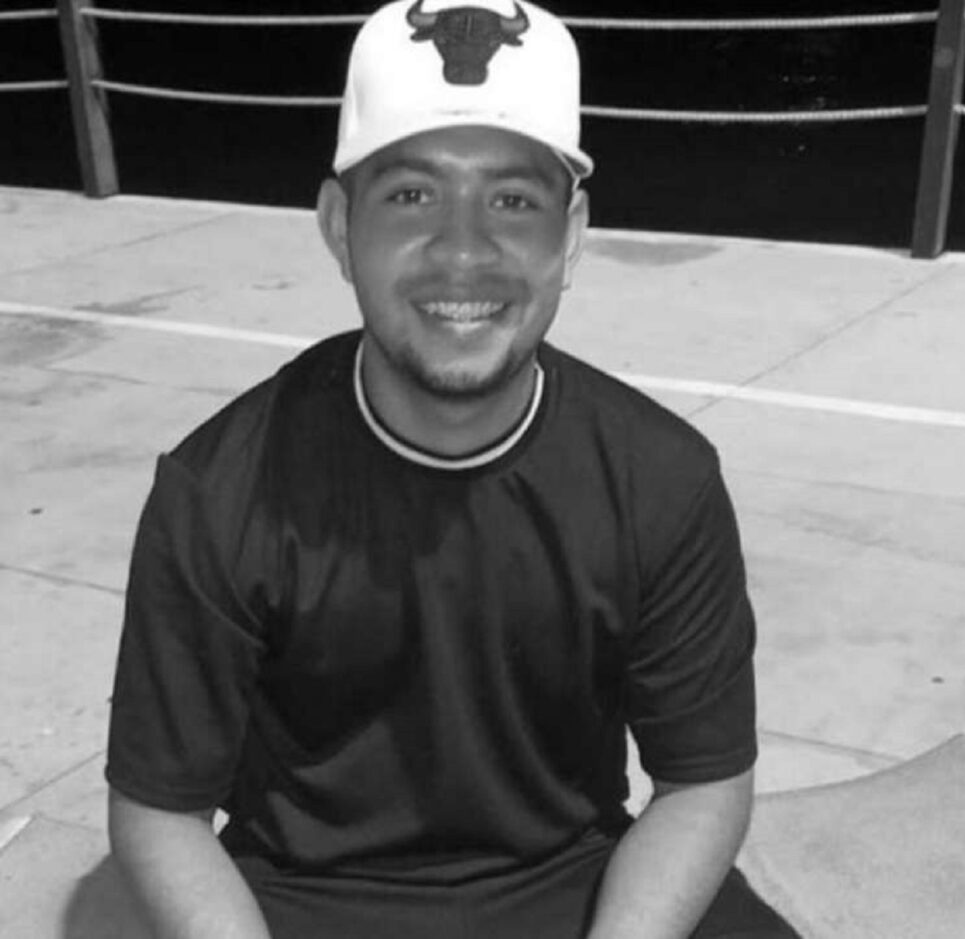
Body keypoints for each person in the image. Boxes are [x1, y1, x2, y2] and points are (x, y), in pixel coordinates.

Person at [105, 1, 800, 937]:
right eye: (412, 196)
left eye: (513, 201)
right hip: (300, 900)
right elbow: (161, 810)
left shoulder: (661, 478)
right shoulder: (216, 490)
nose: (463, 251)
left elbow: (701, 781)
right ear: (339, 226)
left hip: (581, 885)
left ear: (572, 234)